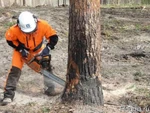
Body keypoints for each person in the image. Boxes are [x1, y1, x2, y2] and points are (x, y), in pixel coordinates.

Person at [1, 11, 60, 105]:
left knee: (46, 67)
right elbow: (9, 40)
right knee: (15, 70)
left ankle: (50, 89)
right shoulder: (14, 30)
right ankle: (8, 95)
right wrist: (20, 49)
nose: (30, 33)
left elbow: (53, 37)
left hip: (38, 49)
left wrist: (48, 48)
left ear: (35, 21)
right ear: (19, 26)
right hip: (22, 51)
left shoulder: (43, 25)